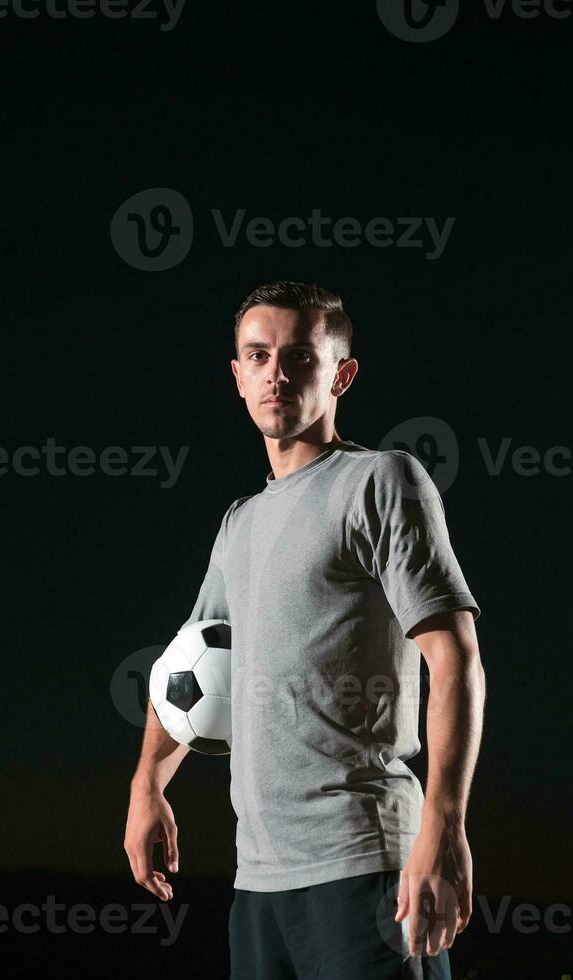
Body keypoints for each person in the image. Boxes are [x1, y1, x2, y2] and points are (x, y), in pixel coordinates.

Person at [124, 281, 486, 979]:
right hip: (257, 885)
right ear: (237, 376)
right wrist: (148, 784)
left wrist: (443, 828)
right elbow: (184, 669)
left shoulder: (381, 483)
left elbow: (456, 659)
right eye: (257, 357)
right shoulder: (239, 524)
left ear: (341, 374)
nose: (275, 374)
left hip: (366, 868)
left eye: (298, 357)